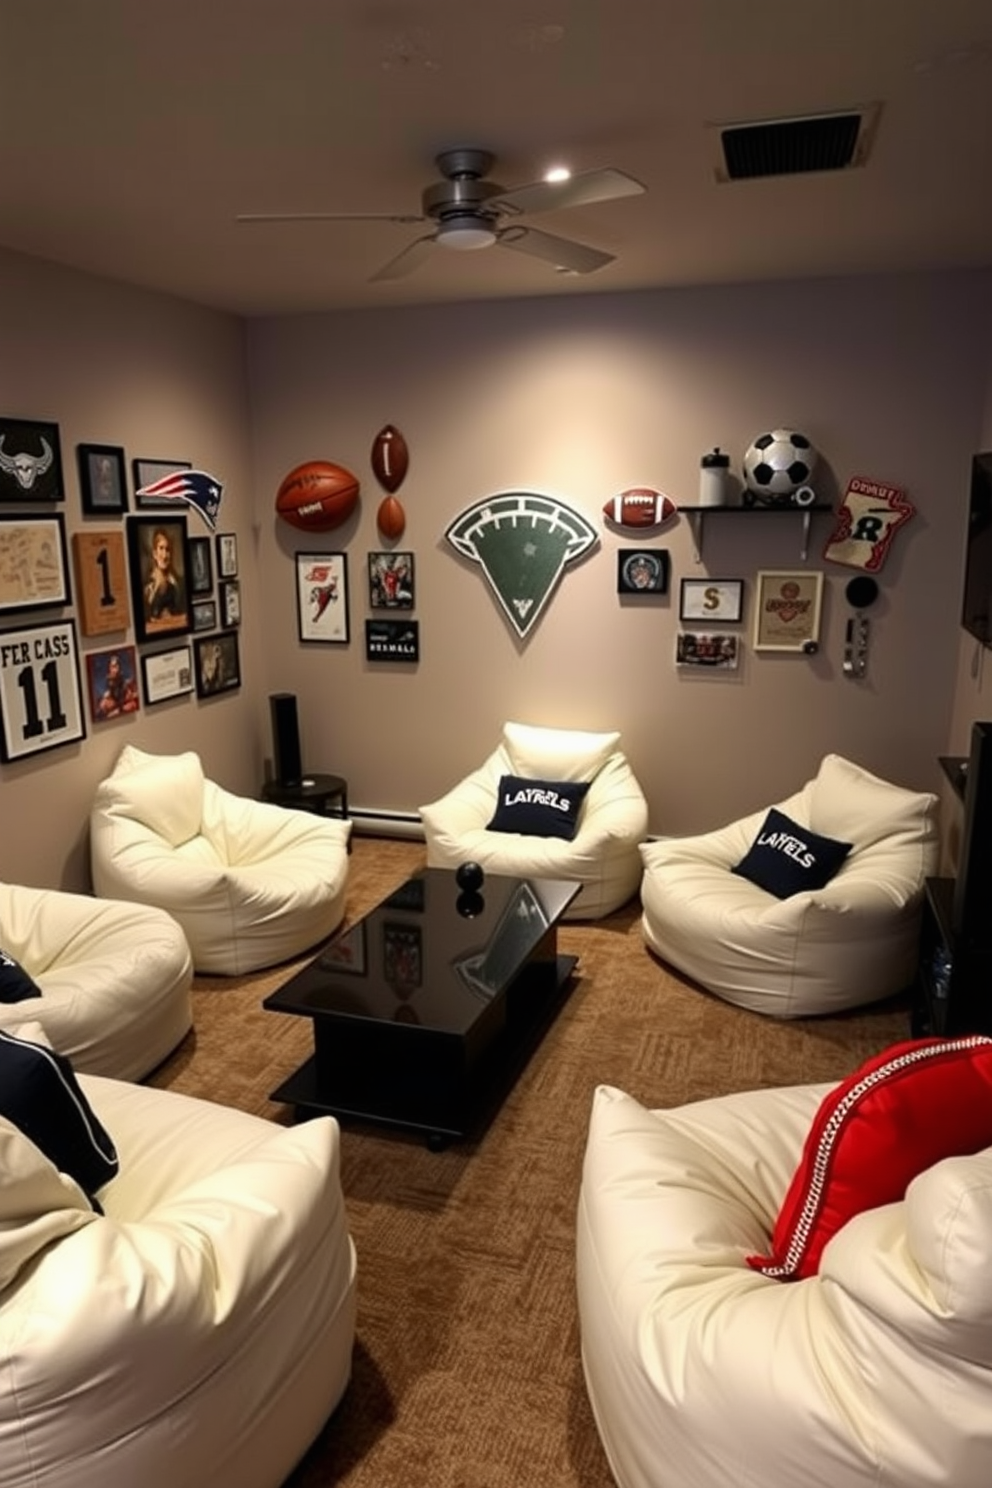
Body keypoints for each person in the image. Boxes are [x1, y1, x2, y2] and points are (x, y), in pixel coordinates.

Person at [144, 527, 185, 626]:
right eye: (161, 548)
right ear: (154, 553)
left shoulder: (179, 582)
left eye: (168, 550)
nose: (164, 555)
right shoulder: (147, 583)